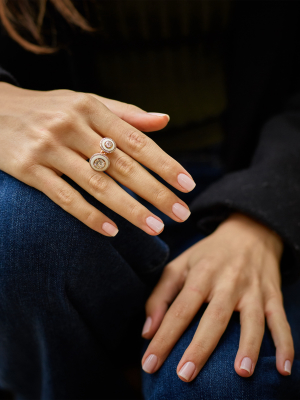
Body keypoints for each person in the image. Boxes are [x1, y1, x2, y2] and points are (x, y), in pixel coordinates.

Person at [0, 1, 299, 399]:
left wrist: (262, 217)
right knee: (20, 225)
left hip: (253, 169)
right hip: (59, 169)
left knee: (219, 385)